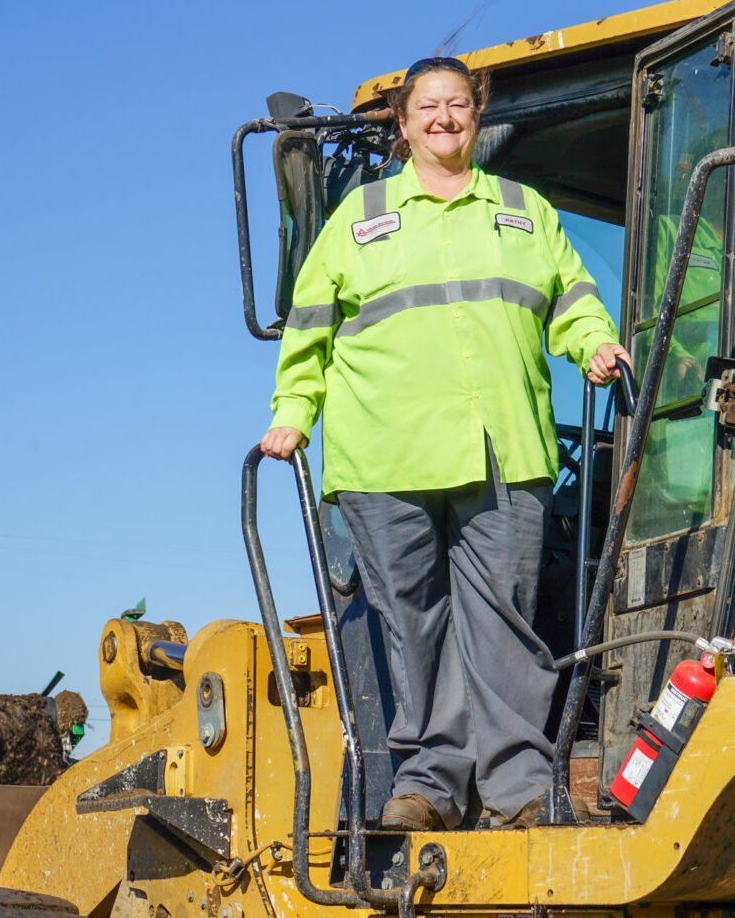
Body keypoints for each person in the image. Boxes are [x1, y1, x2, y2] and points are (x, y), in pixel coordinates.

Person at [261, 56, 629, 832]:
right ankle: (427, 784)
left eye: (457, 105)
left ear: (475, 115)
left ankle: (520, 784)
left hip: (503, 446)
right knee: (414, 622)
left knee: (504, 620)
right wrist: (293, 412)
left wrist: (593, 341)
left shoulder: (525, 213)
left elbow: (572, 297)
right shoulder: (354, 222)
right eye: (427, 107)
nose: (443, 118)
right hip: (384, 456)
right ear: (403, 123)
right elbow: (309, 333)